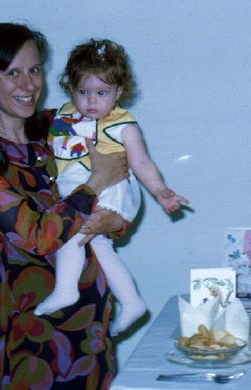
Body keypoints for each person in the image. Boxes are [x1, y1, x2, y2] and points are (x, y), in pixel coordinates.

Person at [0, 23, 129, 389]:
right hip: (36, 334)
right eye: (13, 73)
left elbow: (118, 180)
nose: (29, 85)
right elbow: (34, 237)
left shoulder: (56, 125)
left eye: (34, 70)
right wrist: (95, 184)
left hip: (93, 319)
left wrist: (113, 221)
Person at [34, 38, 189, 335]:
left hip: (112, 189)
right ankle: (131, 302)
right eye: (83, 92)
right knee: (100, 246)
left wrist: (161, 192)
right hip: (84, 189)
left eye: (101, 93)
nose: (91, 101)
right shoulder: (63, 117)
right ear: (71, 90)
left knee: (73, 233)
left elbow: (141, 163)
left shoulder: (123, 126)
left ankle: (66, 289)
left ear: (119, 92)